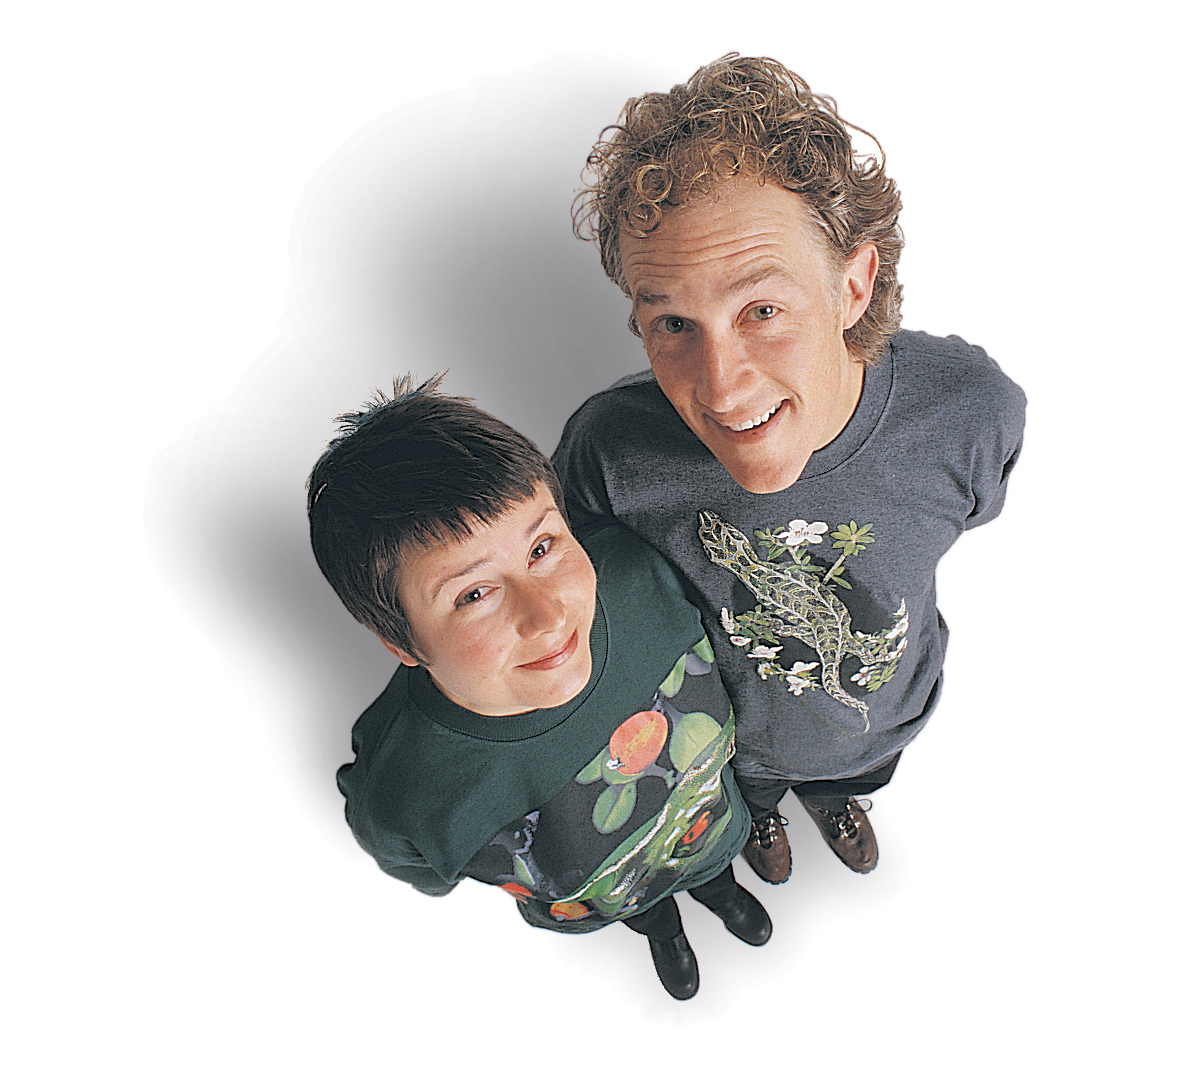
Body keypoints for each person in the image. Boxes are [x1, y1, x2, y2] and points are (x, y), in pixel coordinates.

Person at [553, 55, 1026, 885]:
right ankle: (762, 817)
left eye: (762, 310)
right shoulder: (607, 457)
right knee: (751, 793)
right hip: (724, 745)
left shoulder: (969, 411)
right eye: (672, 324)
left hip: (883, 719)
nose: (723, 386)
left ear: (853, 285)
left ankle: (839, 797)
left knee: (857, 770)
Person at [308, 375, 771, 1000]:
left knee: (712, 863)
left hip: (709, 821)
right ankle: (660, 929)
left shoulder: (641, 577)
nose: (549, 615)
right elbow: (414, 856)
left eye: (544, 546)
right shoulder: (409, 789)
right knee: (643, 907)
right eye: (474, 594)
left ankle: (722, 892)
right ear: (402, 644)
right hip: (607, 890)